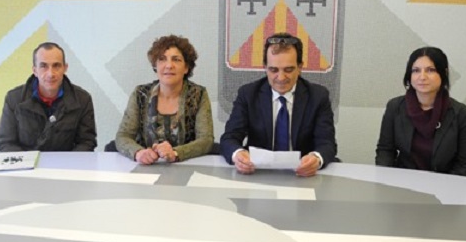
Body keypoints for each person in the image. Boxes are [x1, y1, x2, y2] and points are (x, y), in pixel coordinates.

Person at [220, 32, 337, 177]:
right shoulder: (248, 94)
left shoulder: (318, 96)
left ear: (300, 67)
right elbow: (229, 138)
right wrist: (238, 154)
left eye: (288, 70)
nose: (281, 78)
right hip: (258, 174)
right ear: (265, 67)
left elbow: (327, 143)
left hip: (302, 175)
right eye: (273, 70)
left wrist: (316, 158)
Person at [375, 46, 466, 176]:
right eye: (416, 70)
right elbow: (385, 151)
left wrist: (444, 186)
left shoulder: (461, 114)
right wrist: (386, 180)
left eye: (430, 70)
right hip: (403, 181)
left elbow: (465, 164)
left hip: (445, 183)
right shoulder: (395, 107)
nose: (422, 77)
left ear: (443, 73)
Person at [115, 35, 214, 164]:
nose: (169, 65)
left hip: (185, 167)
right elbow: (123, 136)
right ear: (155, 66)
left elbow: (206, 140)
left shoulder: (198, 95)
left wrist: (176, 153)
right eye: (162, 59)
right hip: (146, 168)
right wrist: (138, 152)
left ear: (186, 67)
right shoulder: (140, 94)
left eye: (176, 60)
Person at [0, 42, 97, 152]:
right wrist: (28, 161)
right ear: (35, 70)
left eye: (56, 66)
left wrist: (67, 162)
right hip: (26, 162)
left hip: (66, 162)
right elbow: (5, 144)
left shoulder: (83, 100)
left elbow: (86, 142)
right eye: (43, 66)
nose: (50, 74)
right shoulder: (14, 99)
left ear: (65, 68)